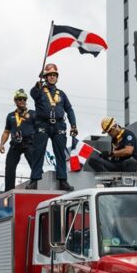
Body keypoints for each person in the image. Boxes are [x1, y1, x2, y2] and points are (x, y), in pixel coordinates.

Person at [29, 63, 77, 191]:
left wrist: (73, 125)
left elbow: (69, 109)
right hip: (42, 124)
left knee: (60, 154)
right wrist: (37, 86)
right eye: (49, 75)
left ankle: (63, 181)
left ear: (57, 77)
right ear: (45, 77)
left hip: (59, 125)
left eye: (54, 75)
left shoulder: (62, 94)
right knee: (38, 152)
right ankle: (34, 181)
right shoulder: (39, 90)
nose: (52, 77)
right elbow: (33, 94)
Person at [0, 89, 36, 191]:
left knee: (35, 165)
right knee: (9, 167)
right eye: (20, 99)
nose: (22, 101)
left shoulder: (33, 114)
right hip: (15, 144)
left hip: (29, 143)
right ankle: (8, 191)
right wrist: (2, 144)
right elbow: (6, 131)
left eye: (24, 99)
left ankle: (35, 185)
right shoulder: (10, 116)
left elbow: (41, 129)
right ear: (15, 101)